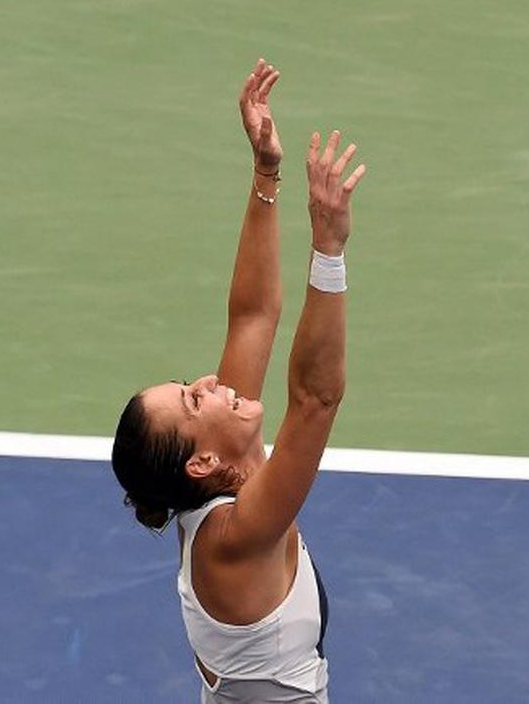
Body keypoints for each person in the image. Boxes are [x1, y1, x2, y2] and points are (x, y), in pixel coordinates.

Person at [111, 58, 367, 703]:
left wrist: (265, 172)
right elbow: (315, 400)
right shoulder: (236, 539)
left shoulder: (215, 476)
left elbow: (253, 316)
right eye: (192, 399)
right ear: (200, 461)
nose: (208, 380)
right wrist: (328, 249)